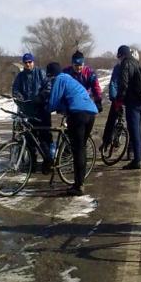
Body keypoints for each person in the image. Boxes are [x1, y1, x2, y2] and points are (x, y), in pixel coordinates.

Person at [44, 62, 98, 196]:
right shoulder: (69, 79)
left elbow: (52, 102)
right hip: (91, 112)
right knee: (82, 148)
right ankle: (80, 181)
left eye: (49, 77)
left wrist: (45, 108)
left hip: (78, 114)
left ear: (51, 75)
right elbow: (75, 95)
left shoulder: (59, 79)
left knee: (78, 150)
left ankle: (78, 186)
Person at [11, 53, 53, 172]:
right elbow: (15, 90)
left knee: (45, 137)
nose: (28, 64)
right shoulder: (20, 76)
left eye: (30, 62)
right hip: (28, 111)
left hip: (42, 110)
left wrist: (41, 97)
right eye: (26, 62)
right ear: (23, 64)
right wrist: (20, 100)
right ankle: (32, 163)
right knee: (30, 138)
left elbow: (48, 86)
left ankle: (48, 162)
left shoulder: (41, 73)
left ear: (33, 62)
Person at [116, 45, 141, 170]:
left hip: (133, 102)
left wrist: (119, 99)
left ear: (121, 54)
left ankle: (137, 160)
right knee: (138, 130)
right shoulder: (137, 63)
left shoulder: (126, 63)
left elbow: (124, 83)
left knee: (134, 131)